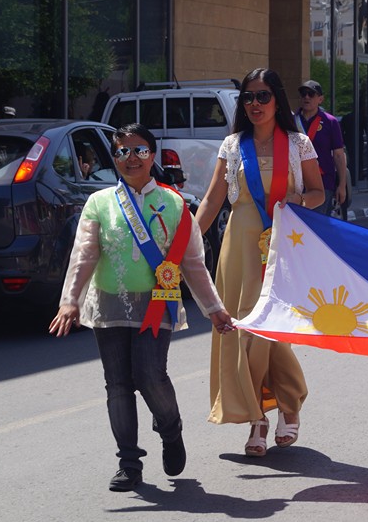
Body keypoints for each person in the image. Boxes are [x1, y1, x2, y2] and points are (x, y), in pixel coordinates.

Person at [48, 123, 235, 492]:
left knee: (151, 376)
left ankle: (170, 430)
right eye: (121, 152)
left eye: (138, 150)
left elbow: (193, 264)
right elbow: (84, 255)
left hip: (157, 304)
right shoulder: (99, 203)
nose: (130, 158)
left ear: (152, 154)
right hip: (108, 305)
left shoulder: (175, 203)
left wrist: (214, 308)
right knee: (117, 385)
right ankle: (129, 463)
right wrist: (70, 302)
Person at [196, 68, 325, 457]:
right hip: (239, 246)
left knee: (270, 327)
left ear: (277, 100)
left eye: (263, 96)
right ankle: (259, 418)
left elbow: (319, 192)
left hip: (285, 242)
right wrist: (184, 245)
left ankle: (287, 402)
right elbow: (212, 200)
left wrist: (296, 202)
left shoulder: (300, 144)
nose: (255, 104)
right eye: (248, 97)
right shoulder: (233, 145)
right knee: (243, 329)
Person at [294, 79, 346, 215]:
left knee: (316, 226)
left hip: (323, 183)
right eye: (303, 94)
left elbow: (339, 155)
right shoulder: (292, 121)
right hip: (295, 183)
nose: (306, 97)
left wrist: (342, 185)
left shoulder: (330, 122)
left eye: (311, 94)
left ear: (320, 99)